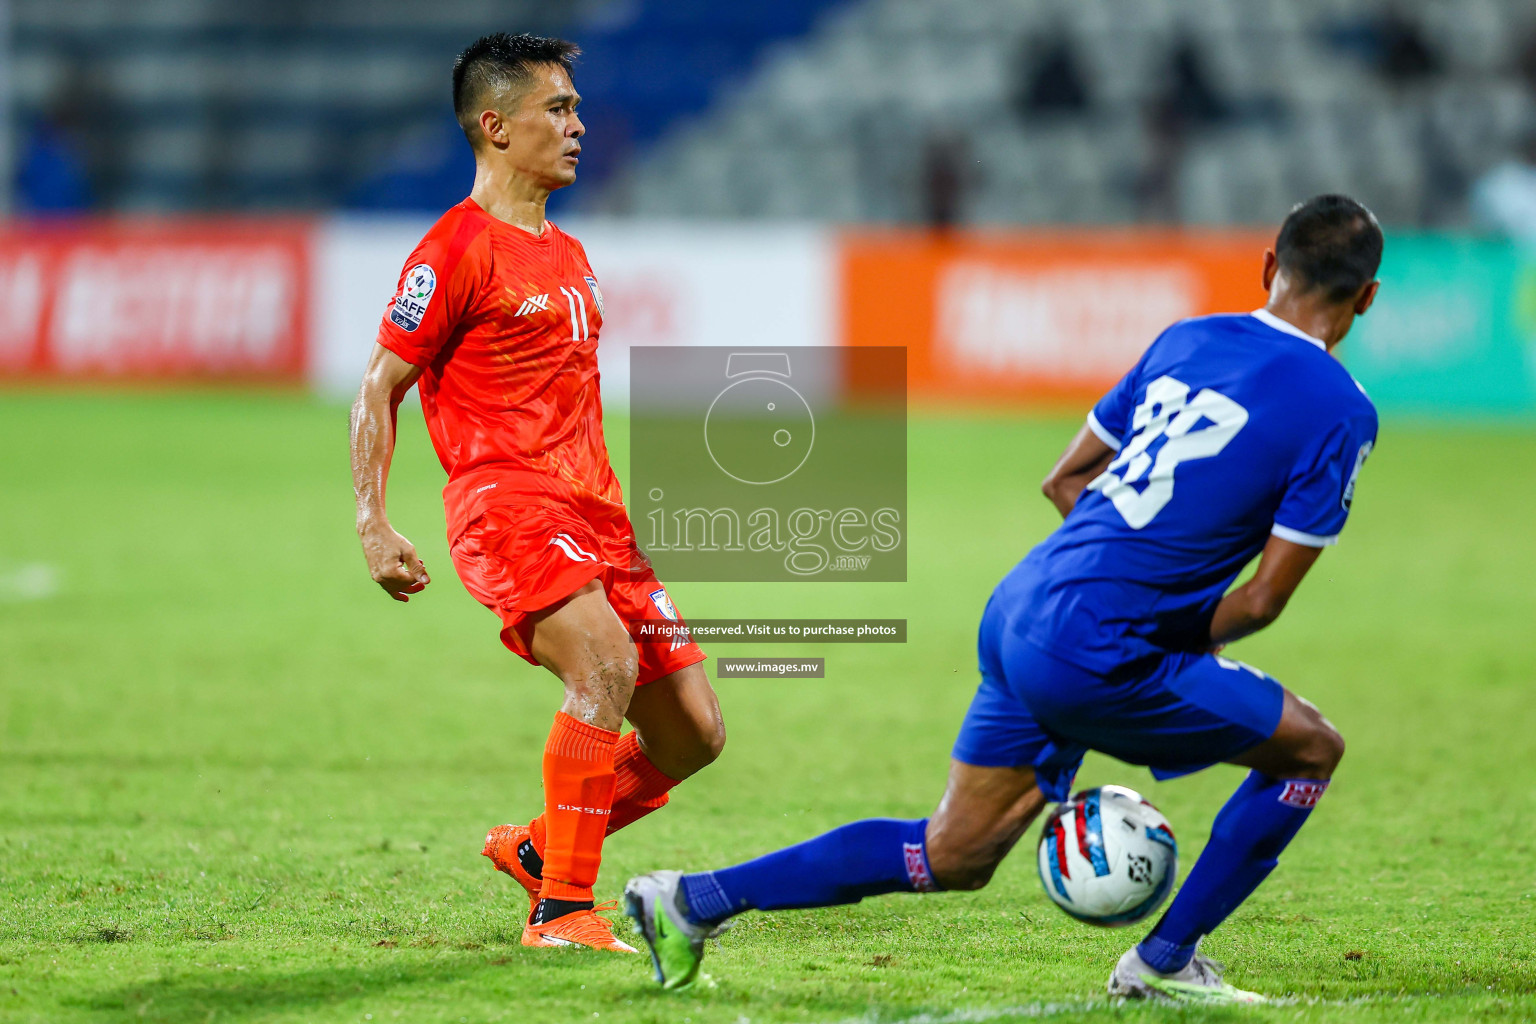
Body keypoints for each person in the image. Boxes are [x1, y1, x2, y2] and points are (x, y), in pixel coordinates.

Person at [625, 195, 1383, 1002]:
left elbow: (1065, 478)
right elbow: (1264, 599)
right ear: (1367, 297)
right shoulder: (1341, 410)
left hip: (1024, 607)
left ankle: (689, 900)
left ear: (1268, 267)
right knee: (1310, 749)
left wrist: (1106, 584)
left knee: (952, 853)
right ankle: (1162, 964)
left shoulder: (1188, 337)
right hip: (1102, 646)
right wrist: (1161, 625)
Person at [349, 33, 725, 954]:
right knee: (601, 666)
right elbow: (378, 385)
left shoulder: (570, 252)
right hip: (506, 505)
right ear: (495, 126)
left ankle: (537, 850)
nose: (577, 125)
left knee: (693, 737)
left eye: (575, 107)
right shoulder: (453, 249)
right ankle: (562, 912)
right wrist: (373, 520)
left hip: (598, 514)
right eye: (556, 108)